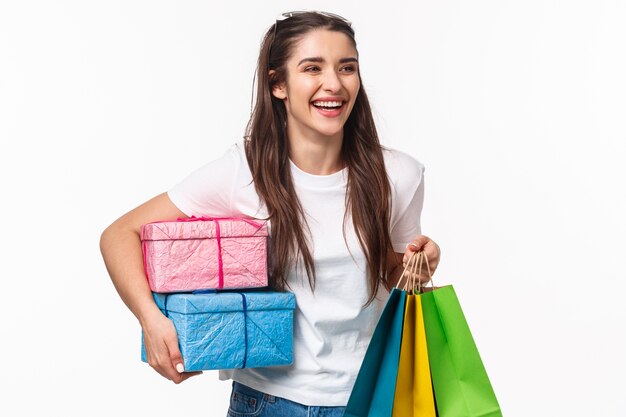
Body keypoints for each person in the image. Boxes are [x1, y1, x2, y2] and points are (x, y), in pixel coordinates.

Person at [100, 10, 441, 417]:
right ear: (278, 83)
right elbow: (120, 233)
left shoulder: (399, 174)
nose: (333, 83)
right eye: (312, 68)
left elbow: (393, 276)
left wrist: (416, 265)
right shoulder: (243, 173)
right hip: (270, 402)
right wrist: (153, 322)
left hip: (372, 397)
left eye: (346, 68)